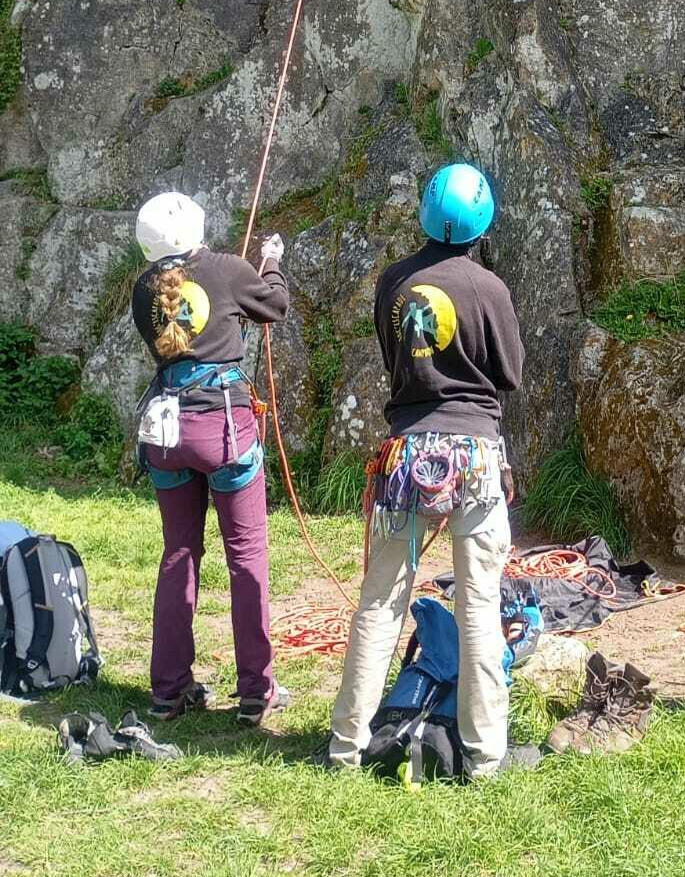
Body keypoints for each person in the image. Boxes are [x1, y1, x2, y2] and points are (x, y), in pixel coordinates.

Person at [321, 161, 523, 777]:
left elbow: (395, 359)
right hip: (475, 453)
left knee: (380, 602)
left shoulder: (395, 281)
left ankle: (345, 747)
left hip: (406, 454)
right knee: (479, 605)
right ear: (483, 220)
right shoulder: (488, 288)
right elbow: (510, 374)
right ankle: (485, 755)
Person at [130, 191, 290, 725]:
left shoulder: (143, 290)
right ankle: (256, 690)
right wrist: (271, 262)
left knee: (179, 553)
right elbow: (275, 305)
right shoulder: (227, 269)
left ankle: (169, 690)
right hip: (222, 428)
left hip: (167, 431)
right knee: (246, 556)